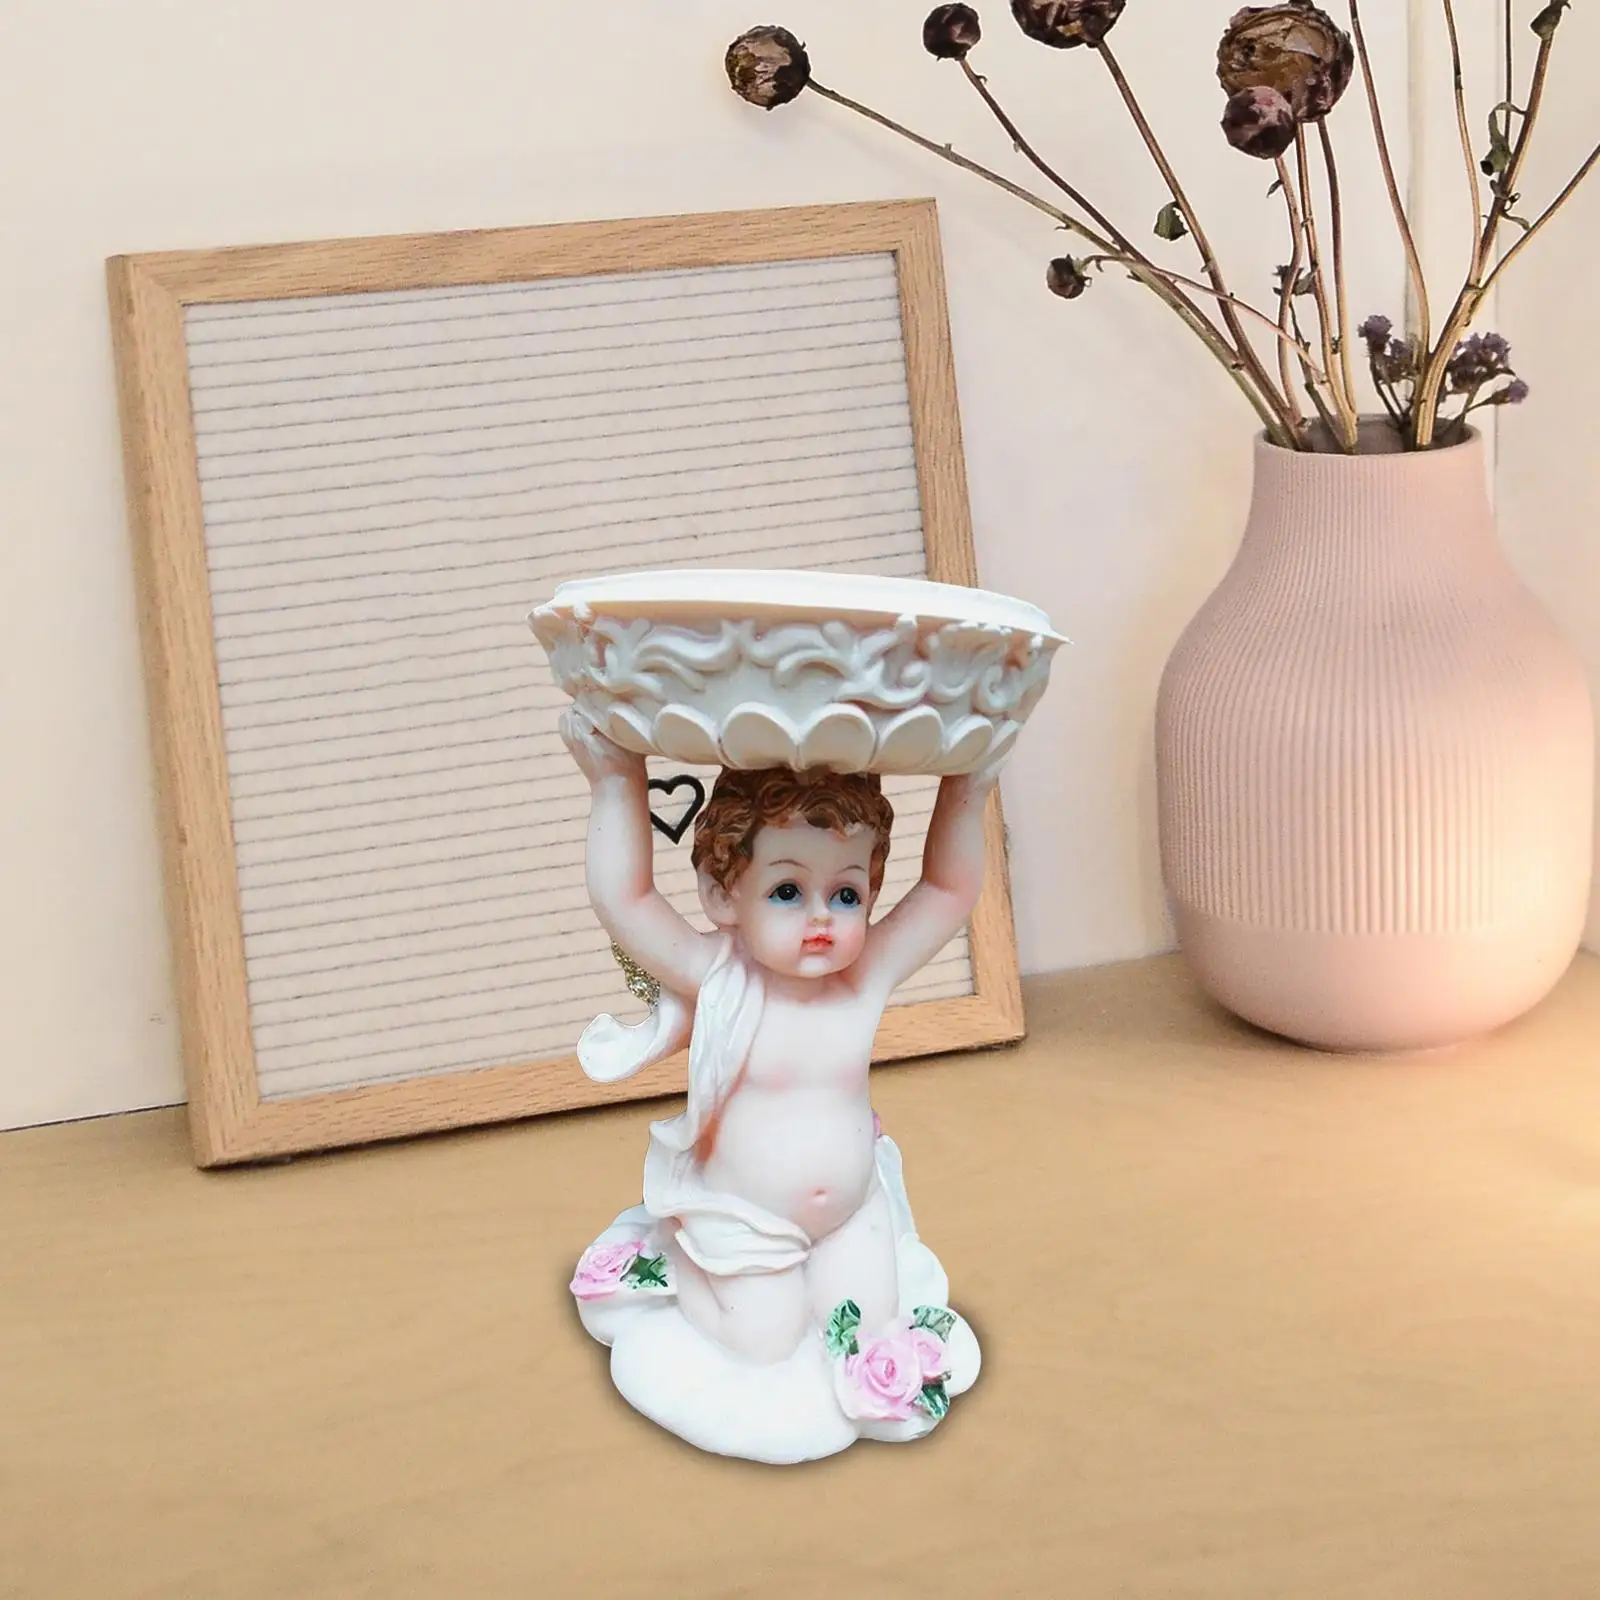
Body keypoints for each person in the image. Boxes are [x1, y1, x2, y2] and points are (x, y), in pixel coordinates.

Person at [561, 708, 997, 1369]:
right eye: (788, 890)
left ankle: (824, 1286)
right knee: (763, 1343)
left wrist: (970, 782)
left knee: (863, 1340)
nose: (822, 916)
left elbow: (947, 888)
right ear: (722, 895)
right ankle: (676, 1258)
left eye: (846, 895)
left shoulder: (863, 979)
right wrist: (616, 781)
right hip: (746, 1223)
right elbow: (626, 900)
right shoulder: (721, 978)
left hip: (848, 1216)